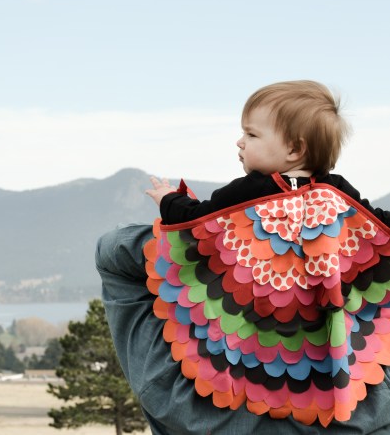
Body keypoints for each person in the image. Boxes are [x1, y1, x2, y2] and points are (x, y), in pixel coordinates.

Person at [96, 80, 390, 434]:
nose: (240, 142)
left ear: (295, 148)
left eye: (251, 134)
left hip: (250, 346)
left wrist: (168, 199)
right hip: (323, 353)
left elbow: (195, 220)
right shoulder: (339, 193)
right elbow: (378, 228)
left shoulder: (250, 191)